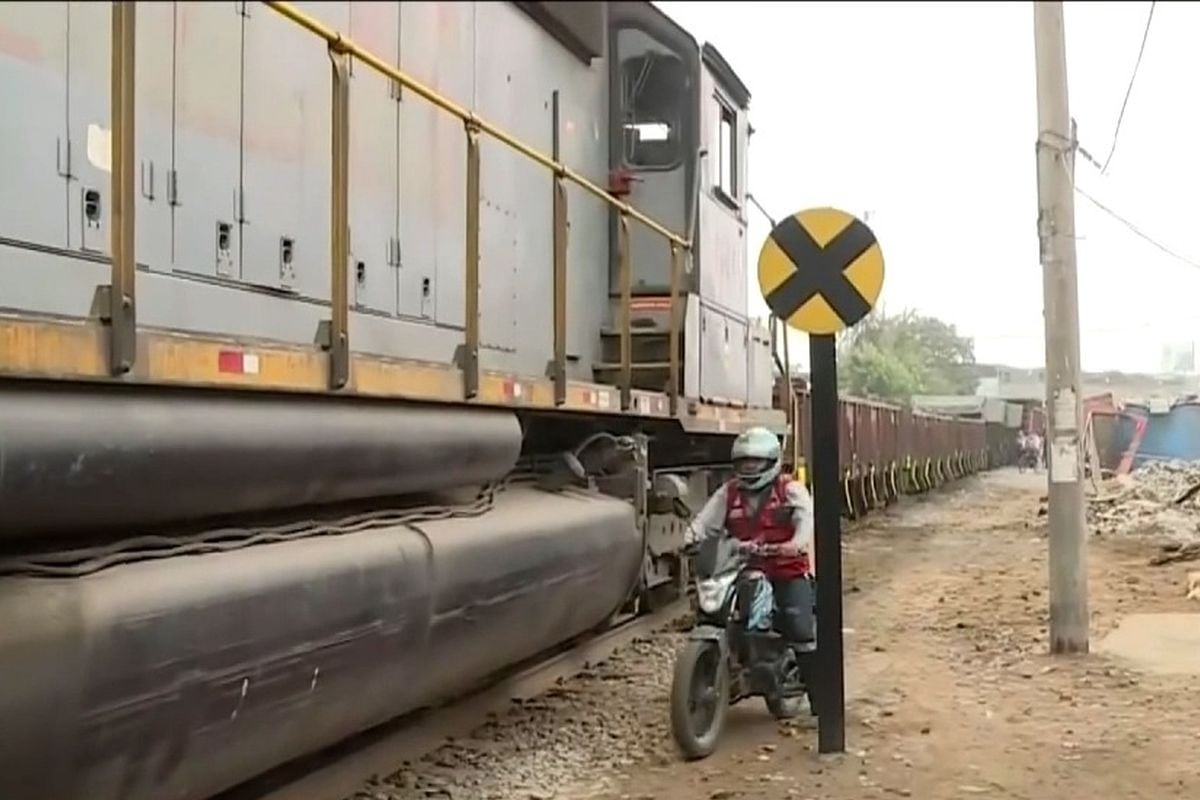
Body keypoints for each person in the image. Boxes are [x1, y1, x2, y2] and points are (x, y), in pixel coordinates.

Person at [683, 426, 816, 650]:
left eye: (755, 462)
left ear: (772, 462)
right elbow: (704, 523)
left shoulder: (791, 490)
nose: (749, 467)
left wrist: (793, 546)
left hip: (786, 571)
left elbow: (806, 522)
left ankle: (812, 681)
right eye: (744, 462)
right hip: (741, 569)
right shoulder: (728, 492)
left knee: (800, 630)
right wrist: (690, 538)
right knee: (719, 614)